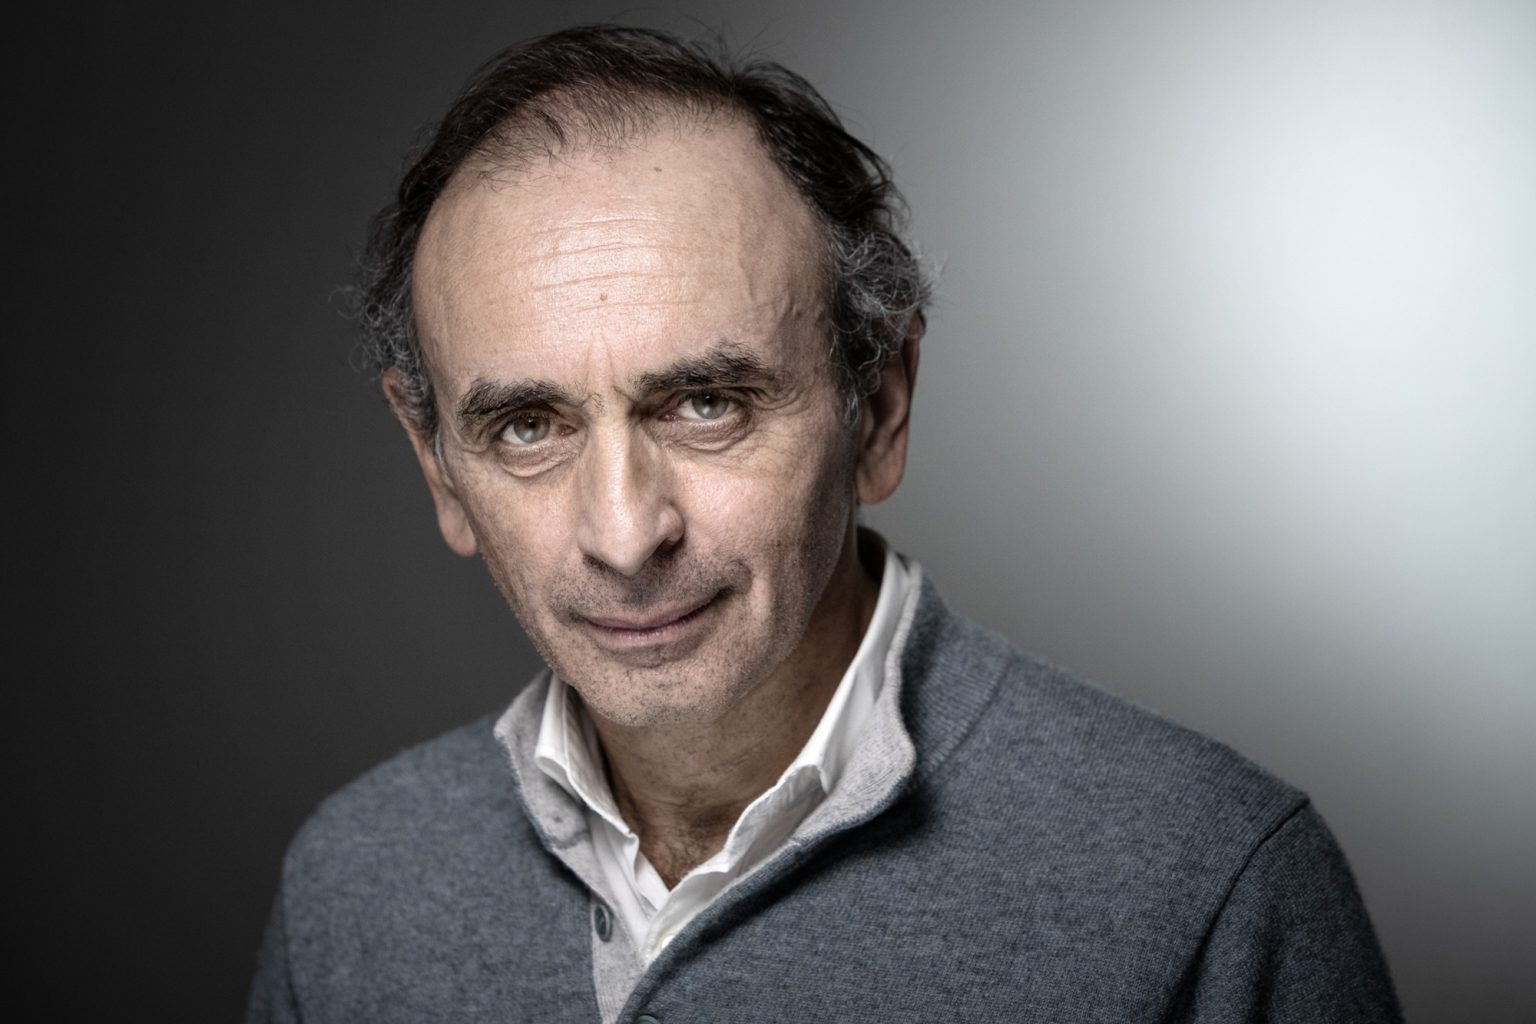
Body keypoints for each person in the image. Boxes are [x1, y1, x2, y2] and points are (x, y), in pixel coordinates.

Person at [249, 25, 1402, 1024]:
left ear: (879, 408)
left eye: (707, 404)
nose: (624, 533)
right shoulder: (353, 886)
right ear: (440, 469)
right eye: (527, 427)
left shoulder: (1209, 886)